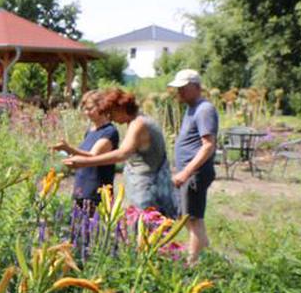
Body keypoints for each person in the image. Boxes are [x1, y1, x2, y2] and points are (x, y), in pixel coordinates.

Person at [63, 88, 177, 217]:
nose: (111, 118)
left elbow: (122, 154)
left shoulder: (138, 124)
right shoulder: (137, 121)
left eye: (111, 114)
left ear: (120, 108)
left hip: (149, 191)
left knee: (147, 230)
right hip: (145, 187)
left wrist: (85, 162)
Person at [168, 69, 218, 264]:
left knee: (193, 218)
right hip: (189, 173)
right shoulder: (192, 107)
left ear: (197, 87)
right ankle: (206, 255)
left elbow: (208, 145)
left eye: (183, 88)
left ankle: (193, 263)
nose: (179, 92)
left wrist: (186, 172)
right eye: (177, 88)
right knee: (191, 218)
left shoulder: (204, 109)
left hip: (195, 173)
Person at [52, 90, 119, 210]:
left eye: (90, 109)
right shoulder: (90, 131)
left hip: (97, 192)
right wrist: (66, 152)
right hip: (81, 189)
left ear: (101, 107)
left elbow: (93, 156)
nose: (86, 113)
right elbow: (82, 156)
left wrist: (69, 148)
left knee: (93, 227)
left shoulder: (110, 132)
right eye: (85, 109)